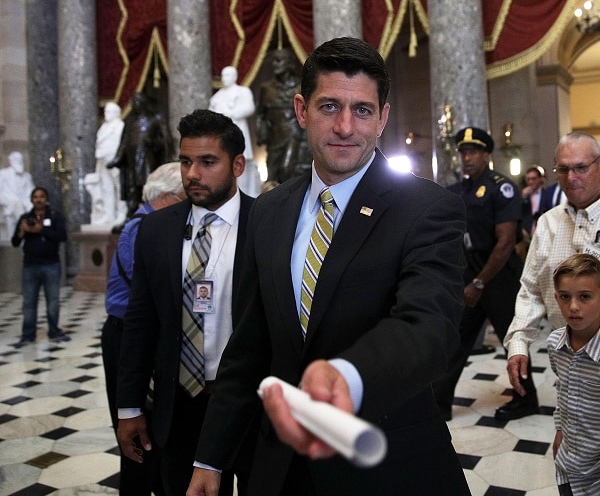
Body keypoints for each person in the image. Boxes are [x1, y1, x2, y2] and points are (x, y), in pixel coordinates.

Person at [187, 36, 470, 495]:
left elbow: (429, 326)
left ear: (382, 118)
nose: (344, 126)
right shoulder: (268, 211)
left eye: (362, 110)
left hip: (387, 463)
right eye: (329, 106)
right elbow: (249, 346)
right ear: (302, 110)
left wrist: (348, 376)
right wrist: (210, 458)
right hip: (282, 469)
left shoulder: (425, 208)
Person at [116, 109, 255, 495]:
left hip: (247, 404)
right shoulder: (156, 228)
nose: (192, 173)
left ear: (237, 165)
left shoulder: (265, 223)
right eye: (186, 161)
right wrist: (129, 407)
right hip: (178, 404)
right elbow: (140, 321)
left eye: (208, 162)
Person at [504, 132, 600, 421]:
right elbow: (531, 289)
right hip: (569, 366)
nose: (571, 177)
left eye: (581, 167)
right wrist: (519, 343)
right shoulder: (548, 223)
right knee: (572, 444)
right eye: (563, 169)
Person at [102, 162, 185, 496]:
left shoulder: (152, 223)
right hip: (127, 334)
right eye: (183, 197)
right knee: (138, 434)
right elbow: (158, 287)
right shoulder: (143, 227)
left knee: (155, 432)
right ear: (165, 197)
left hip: (141, 332)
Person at [433, 126, 525, 422]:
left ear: (486, 155)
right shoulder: (458, 190)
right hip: (470, 275)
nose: (467, 158)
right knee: (455, 339)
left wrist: (480, 282)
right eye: (463, 152)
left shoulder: (502, 188)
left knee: (513, 341)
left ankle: (526, 398)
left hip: (498, 277)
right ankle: (438, 403)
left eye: (473, 152)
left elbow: (506, 242)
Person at [548, 253, 600, 495]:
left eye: (585, 296)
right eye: (565, 297)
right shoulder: (555, 343)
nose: (573, 307)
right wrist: (560, 430)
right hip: (567, 468)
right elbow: (563, 390)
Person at [11, 187, 68, 348]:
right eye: (35, 197)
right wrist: (22, 232)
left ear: (46, 199)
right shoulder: (25, 218)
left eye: (41, 196)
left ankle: (54, 331)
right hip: (30, 266)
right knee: (29, 302)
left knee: (53, 301)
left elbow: (62, 236)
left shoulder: (55, 216)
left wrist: (40, 230)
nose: (38, 199)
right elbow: (15, 242)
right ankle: (28, 335)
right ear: (31, 200)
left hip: (51, 265)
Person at [108, 92, 171, 218]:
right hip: (131, 160)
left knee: (147, 185)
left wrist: (153, 143)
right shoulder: (130, 122)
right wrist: (118, 158)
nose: (135, 104)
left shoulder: (155, 118)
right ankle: (131, 215)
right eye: (133, 102)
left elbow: (166, 140)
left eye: (137, 102)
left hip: (148, 159)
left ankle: (153, 213)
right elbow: (124, 141)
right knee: (132, 187)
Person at [256, 48, 311, 183]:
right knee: (272, 175)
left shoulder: (300, 87)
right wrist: (262, 133)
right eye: (274, 61)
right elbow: (261, 114)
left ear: (289, 63)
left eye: (279, 60)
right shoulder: (266, 88)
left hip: (294, 134)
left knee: (287, 170)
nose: (275, 64)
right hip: (275, 137)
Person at [210, 66, 262, 197]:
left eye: (227, 75)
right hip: (221, 133)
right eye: (223, 76)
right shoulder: (218, 95)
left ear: (234, 77)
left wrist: (231, 113)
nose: (224, 78)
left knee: (242, 161)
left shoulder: (243, 91)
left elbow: (249, 107)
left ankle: (245, 194)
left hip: (238, 128)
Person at [86, 101, 126, 226]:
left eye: (108, 111)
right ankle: (108, 215)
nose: (106, 113)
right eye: (105, 111)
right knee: (106, 188)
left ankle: (121, 213)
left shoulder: (120, 126)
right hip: (102, 159)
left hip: (115, 161)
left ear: (116, 113)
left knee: (119, 187)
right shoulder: (104, 127)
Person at [0, 151, 35, 241]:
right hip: (9, 200)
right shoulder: (3, 174)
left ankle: (34, 233)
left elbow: (31, 190)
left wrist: (30, 201)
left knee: (33, 206)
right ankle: (21, 234)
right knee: (17, 205)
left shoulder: (27, 176)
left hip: (24, 200)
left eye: (20, 160)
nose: (19, 161)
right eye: (16, 160)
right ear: (11, 161)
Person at [521, 165, 548, 236]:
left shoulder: (546, 193)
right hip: (527, 230)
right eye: (528, 179)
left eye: (533, 179)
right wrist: (522, 197)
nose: (531, 182)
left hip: (543, 229)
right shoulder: (523, 194)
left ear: (540, 179)